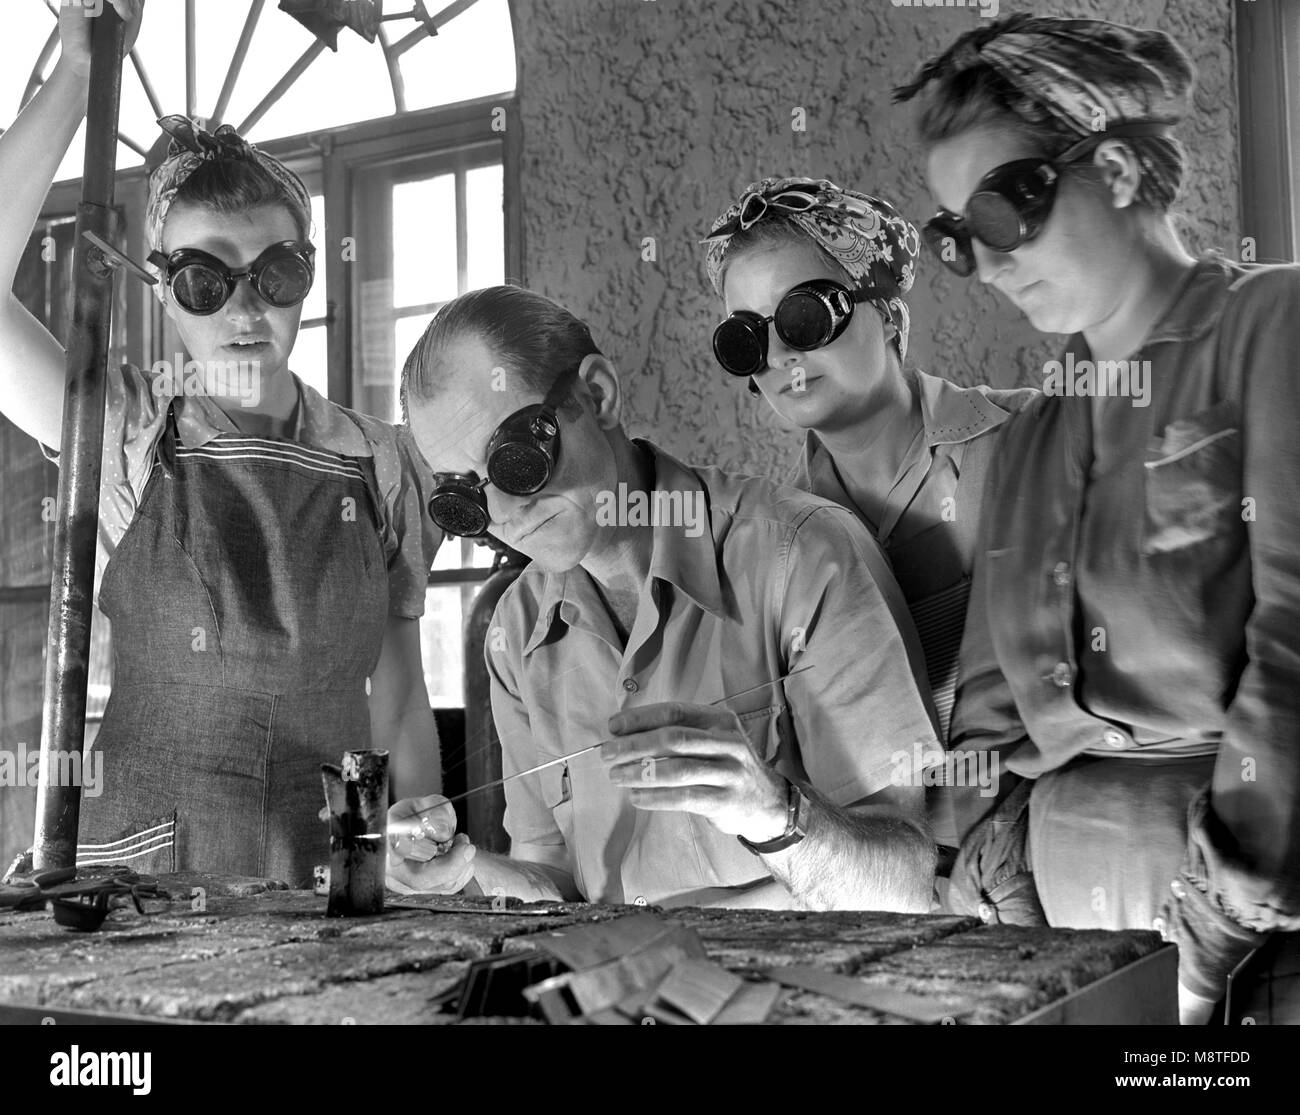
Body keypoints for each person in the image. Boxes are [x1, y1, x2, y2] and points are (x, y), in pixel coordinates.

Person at [895, 13, 1300, 1022]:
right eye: (955, 237)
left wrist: (1219, 923)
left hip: (1261, 937)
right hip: (1070, 948)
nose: (984, 264)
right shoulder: (1034, 435)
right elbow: (990, 702)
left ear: (1115, 170)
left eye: (1002, 211)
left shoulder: (1273, 330)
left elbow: (1293, 644)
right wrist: (992, 872)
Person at [0, 0, 441, 885]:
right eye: (206, 279)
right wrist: (79, 80)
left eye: (276, 274)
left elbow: (397, 695)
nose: (246, 310)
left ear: (309, 278)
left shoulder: (383, 463)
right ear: (164, 289)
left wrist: (412, 851)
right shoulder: (120, 435)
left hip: (330, 882)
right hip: (147, 886)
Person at [386, 285, 942, 911]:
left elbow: (905, 886)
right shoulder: (515, 631)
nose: (506, 514)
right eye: (465, 498)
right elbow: (557, 886)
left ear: (596, 395)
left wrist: (774, 814)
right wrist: (462, 873)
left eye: (516, 461)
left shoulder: (802, 556)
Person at [702, 178, 1038, 862]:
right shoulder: (776, 550)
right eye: (748, 338)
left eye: (806, 317)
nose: (782, 357)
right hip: (903, 887)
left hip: (1054, 858)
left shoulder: (1031, 444)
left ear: (886, 314)